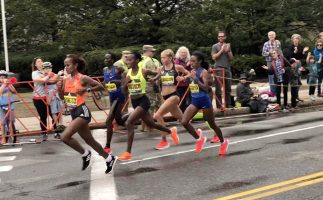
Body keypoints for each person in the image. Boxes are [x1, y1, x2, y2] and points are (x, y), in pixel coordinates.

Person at [57, 54, 117, 174]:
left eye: (68, 65)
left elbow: (100, 86)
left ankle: (85, 154)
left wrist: (86, 90)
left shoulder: (82, 78)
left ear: (75, 65)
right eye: (65, 66)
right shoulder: (66, 79)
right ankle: (109, 158)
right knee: (90, 141)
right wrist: (59, 89)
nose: (66, 68)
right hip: (74, 113)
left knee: (64, 137)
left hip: (82, 112)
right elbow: (63, 97)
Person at [118, 51, 179, 161]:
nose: (128, 62)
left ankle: (128, 153)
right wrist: (125, 84)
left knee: (129, 122)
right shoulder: (126, 73)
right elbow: (124, 92)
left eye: (130, 60)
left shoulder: (143, 71)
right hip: (134, 101)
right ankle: (171, 132)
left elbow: (158, 73)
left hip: (143, 101)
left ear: (137, 61)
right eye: (127, 60)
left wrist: (159, 78)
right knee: (151, 124)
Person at [181, 51, 229, 155]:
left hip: (204, 101)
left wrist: (196, 79)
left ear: (200, 61)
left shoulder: (204, 72)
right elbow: (191, 81)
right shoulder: (192, 71)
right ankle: (199, 139)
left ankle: (223, 142)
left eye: (194, 61)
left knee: (212, 124)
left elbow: (206, 88)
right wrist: (183, 78)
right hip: (194, 101)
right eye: (191, 61)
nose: (191, 63)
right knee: (184, 122)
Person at [153, 49, 190, 150]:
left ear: (170, 58)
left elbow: (189, 73)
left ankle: (164, 140)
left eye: (164, 57)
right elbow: (156, 77)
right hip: (165, 96)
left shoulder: (177, 67)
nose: (162, 59)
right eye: (161, 57)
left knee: (157, 115)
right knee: (183, 120)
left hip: (174, 95)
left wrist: (183, 78)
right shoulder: (161, 68)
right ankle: (198, 135)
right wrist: (154, 80)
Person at [103, 52, 127, 153]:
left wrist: (117, 82)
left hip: (119, 95)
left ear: (112, 60)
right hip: (112, 96)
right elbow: (105, 82)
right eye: (105, 59)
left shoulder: (117, 69)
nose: (105, 60)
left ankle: (107, 146)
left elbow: (126, 79)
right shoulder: (104, 70)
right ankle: (130, 120)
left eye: (108, 59)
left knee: (109, 121)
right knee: (118, 119)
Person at [138, 45, 162, 131]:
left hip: (139, 86)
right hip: (149, 85)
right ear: (147, 51)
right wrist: (158, 73)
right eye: (152, 51)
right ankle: (149, 126)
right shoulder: (149, 61)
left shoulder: (138, 60)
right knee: (151, 105)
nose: (153, 53)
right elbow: (151, 73)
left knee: (143, 105)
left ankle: (143, 126)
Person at [31, 57, 54, 141]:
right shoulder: (35, 73)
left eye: (41, 61)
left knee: (53, 114)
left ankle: (56, 131)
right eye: (38, 61)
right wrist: (48, 76)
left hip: (49, 96)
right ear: (35, 64)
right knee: (43, 116)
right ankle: (44, 133)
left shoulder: (47, 71)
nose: (40, 62)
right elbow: (41, 81)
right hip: (38, 97)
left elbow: (54, 79)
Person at [211, 31, 234, 109]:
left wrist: (227, 51)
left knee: (228, 88)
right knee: (219, 89)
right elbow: (214, 57)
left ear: (225, 37)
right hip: (218, 68)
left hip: (227, 68)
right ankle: (219, 105)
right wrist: (221, 50)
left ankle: (228, 104)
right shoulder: (215, 46)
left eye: (222, 36)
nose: (221, 37)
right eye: (219, 36)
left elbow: (231, 58)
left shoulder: (228, 45)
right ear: (218, 38)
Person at [42, 62, 64, 139]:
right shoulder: (44, 76)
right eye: (46, 68)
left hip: (57, 93)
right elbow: (51, 81)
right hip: (50, 95)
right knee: (54, 111)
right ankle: (57, 125)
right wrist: (58, 75)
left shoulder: (53, 74)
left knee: (60, 110)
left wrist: (62, 76)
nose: (47, 70)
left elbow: (60, 79)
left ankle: (61, 124)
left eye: (49, 68)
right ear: (43, 69)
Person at [0, 71, 17, 144]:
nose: (3, 79)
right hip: (1, 106)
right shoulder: (2, 85)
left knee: (11, 121)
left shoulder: (8, 84)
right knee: (2, 123)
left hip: (10, 104)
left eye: (4, 77)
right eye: (1, 77)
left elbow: (14, 91)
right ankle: (3, 138)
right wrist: (4, 84)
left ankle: (13, 136)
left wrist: (9, 84)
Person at [174, 46, 191, 112]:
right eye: (182, 52)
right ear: (179, 53)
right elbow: (179, 69)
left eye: (185, 52)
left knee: (188, 99)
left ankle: (187, 113)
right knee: (181, 99)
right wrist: (187, 65)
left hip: (187, 83)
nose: (183, 54)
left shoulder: (188, 60)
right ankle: (180, 114)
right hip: (179, 84)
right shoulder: (177, 61)